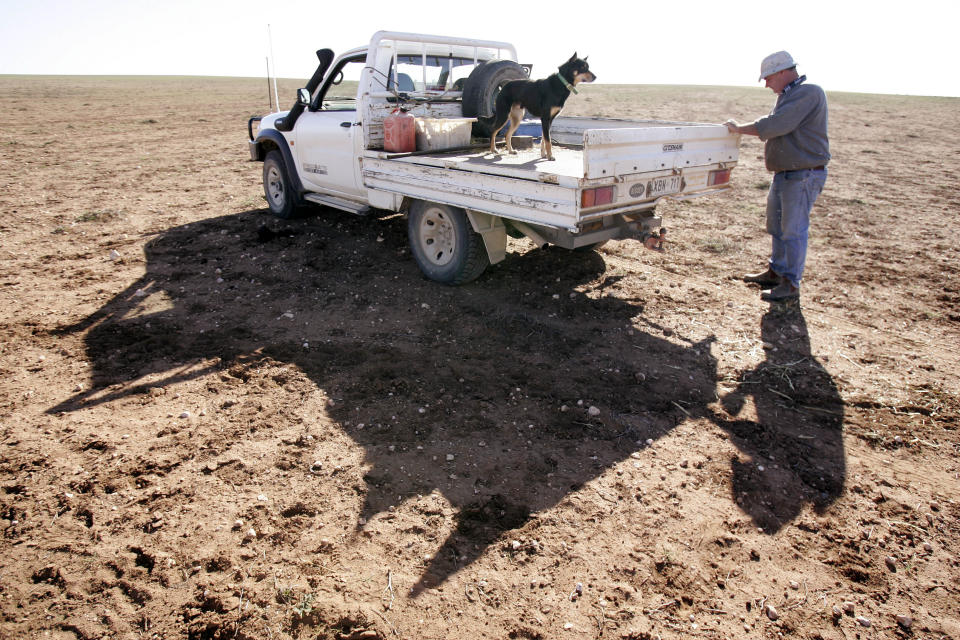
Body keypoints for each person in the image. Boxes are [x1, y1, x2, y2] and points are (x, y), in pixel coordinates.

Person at [724, 51, 830, 302]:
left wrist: (739, 129)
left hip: (802, 175)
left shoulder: (808, 92)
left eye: (769, 77)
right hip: (788, 174)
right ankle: (776, 272)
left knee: (792, 230)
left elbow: (777, 125)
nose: (766, 84)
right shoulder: (790, 94)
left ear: (783, 72)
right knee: (778, 226)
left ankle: (790, 285)